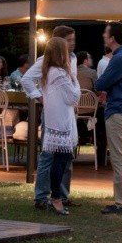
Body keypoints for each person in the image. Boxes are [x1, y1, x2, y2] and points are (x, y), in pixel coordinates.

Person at [21, 26, 79, 208]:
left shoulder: (73, 59)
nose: (72, 43)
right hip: (53, 113)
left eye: (73, 39)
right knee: (48, 154)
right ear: (59, 42)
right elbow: (26, 79)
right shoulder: (46, 61)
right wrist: (40, 97)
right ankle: (41, 196)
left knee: (67, 154)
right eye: (69, 40)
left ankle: (61, 194)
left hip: (67, 111)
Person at [94, 21, 122, 214]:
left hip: (119, 110)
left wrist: (105, 87)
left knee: (119, 158)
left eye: (106, 33)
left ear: (112, 38)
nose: (104, 36)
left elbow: (100, 83)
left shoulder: (119, 58)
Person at [38, 36, 81, 215]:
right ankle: (56, 197)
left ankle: (55, 196)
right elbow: (73, 97)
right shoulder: (60, 73)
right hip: (61, 121)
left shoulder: (48, 70)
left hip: (56, 119)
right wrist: (75, 79)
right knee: (60, 160)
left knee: (59, 160)